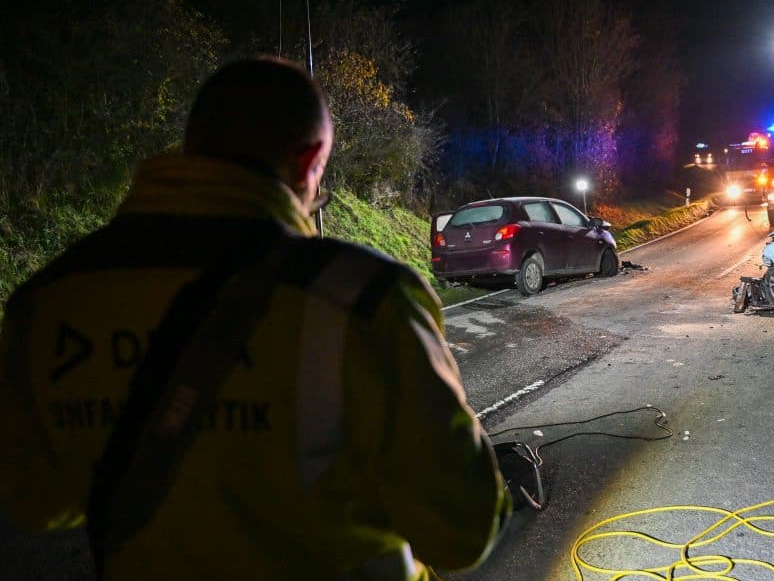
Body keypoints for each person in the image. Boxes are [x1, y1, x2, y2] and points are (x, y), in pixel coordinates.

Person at [0, 57, 510, 579]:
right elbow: (461, 532)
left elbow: (35, 500)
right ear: (311, 161)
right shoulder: (361, 299)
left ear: (192, 144)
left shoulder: (48, 299)